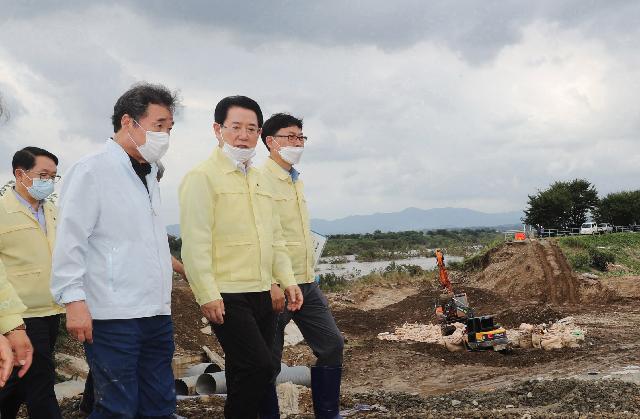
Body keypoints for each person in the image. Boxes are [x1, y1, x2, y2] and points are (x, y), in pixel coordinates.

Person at [51, 83, 179, 418]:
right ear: (128, 122)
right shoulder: (91, 170)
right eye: (158, 125)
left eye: (169, 128)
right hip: (113, 314)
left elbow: (146, 239)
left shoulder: (149, 173)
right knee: (118, 406)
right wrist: (74, 300)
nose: (165, 134)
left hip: (155, 311)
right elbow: (70, 240)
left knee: (160, 402)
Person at [179, 96, 304, 418]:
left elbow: (274, 237)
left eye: (251, 128)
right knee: (260, 366)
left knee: (243, 371)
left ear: (259, 133)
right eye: (236, 127)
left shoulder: (259, 178)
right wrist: (206, 293)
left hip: (262, 289)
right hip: (227, 293)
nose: (243, 135)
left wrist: (287, 280)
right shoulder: (202, 177)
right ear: (218, 130)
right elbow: (195, 243)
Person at [260, 113, 344, 419]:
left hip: (306, 283)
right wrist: (271, 282)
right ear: (270, 142)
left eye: (300, 137)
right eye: (290, 137)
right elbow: (264, 237)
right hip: (276, 287)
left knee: (332, 344)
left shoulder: (296, 180)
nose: (297, 142)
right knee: (268, 361)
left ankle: (328, 413)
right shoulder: (260, 180)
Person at [0, 147, 63, 418]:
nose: (48, 182)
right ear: (20, 174)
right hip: (22, 314)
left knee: (16, 381)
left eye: (53, 177)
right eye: (43, 175)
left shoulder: (53, 211)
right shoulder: (3, 212)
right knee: (41, 383)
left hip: (51, 310)